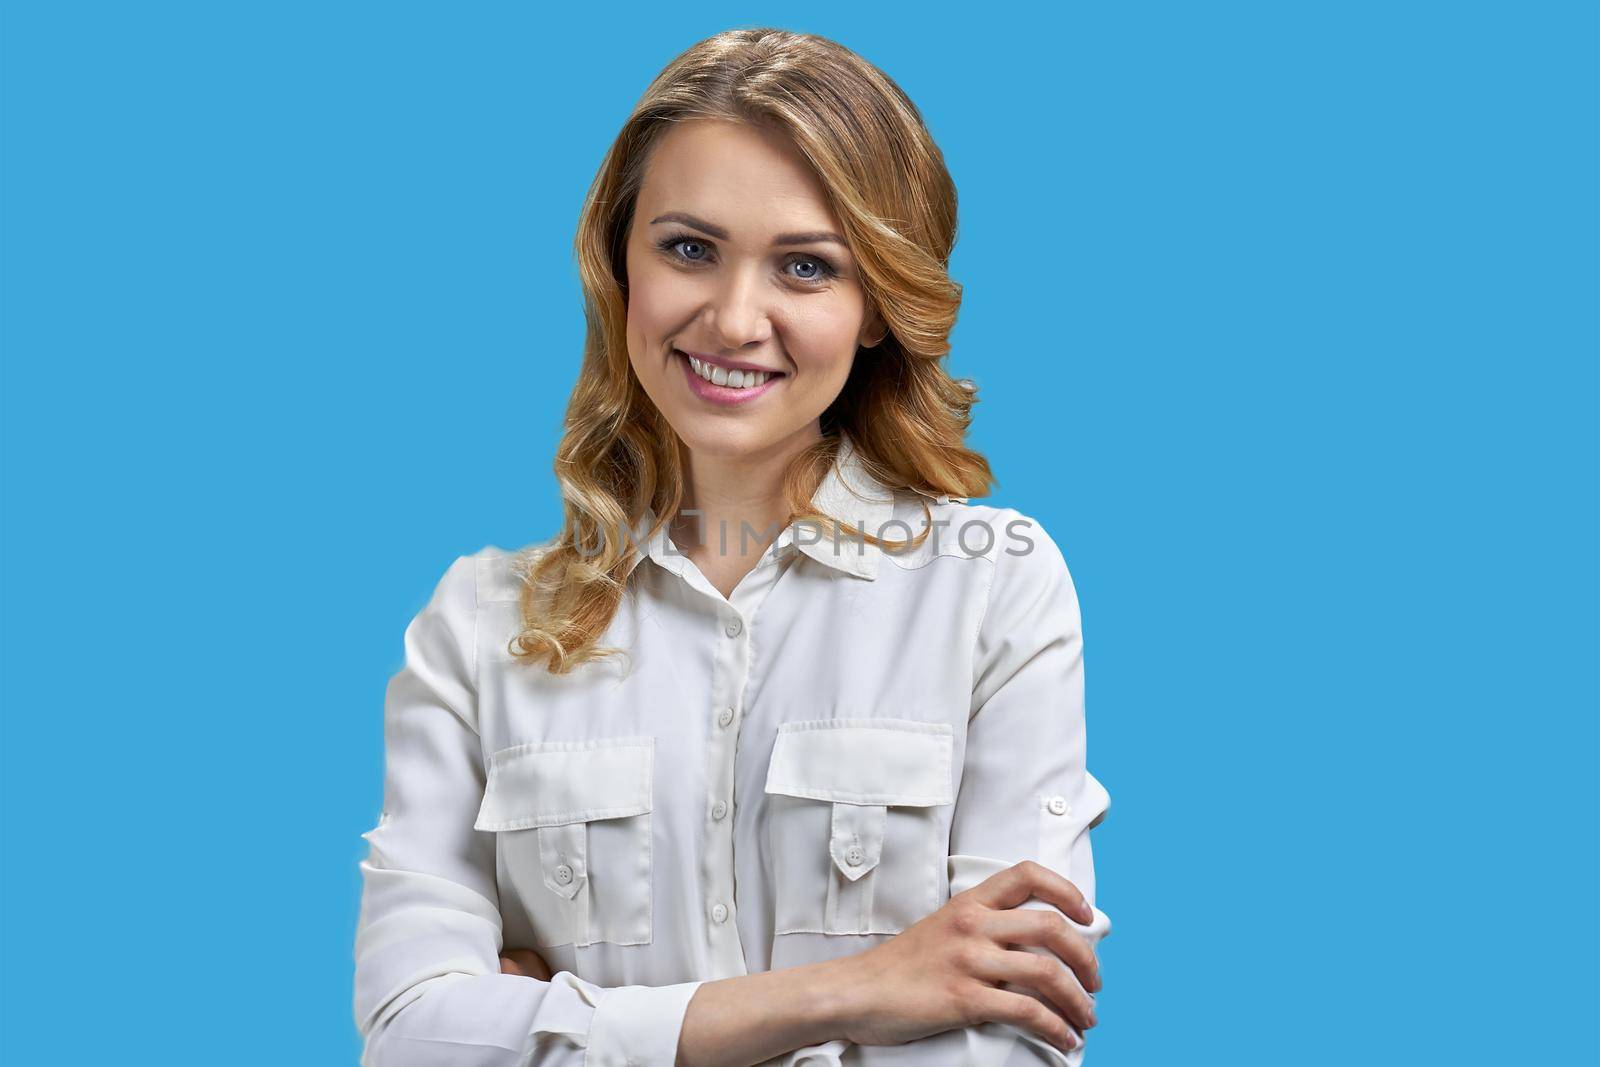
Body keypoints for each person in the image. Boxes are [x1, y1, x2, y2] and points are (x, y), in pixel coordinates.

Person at [352, 26, 1112, 1067]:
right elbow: (411, 1037)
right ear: (619, 262)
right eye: (687, 248)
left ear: (879, 305)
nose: (733, 318)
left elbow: (1005, 1037)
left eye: (805, 267)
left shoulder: (994, 587)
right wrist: (853, 990)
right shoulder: (479, 624)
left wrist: (565, 1025)